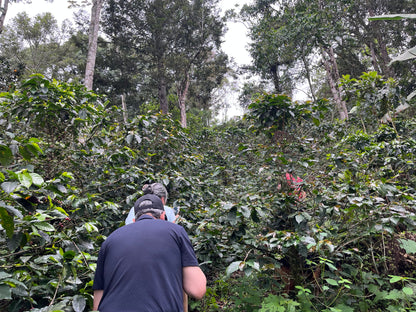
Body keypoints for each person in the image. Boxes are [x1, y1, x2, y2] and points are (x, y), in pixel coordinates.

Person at [93, 194, 206, 311]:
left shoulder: (110, 240)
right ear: (163, 216)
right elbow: (197, 289)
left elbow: (97, 304)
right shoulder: (176, 231)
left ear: (134, 220)